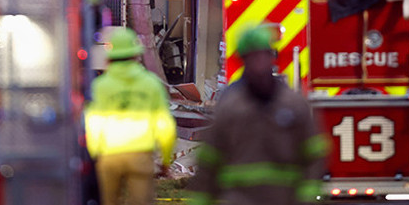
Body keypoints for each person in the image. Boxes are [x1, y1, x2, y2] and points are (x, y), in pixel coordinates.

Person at [189, 24, 327, 205]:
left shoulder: (293, 104)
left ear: (272, 57)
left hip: (285, 199)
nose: (259, 61)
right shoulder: (230, 106)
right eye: (253, 56)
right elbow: (210, 159)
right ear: (243, 59)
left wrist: (308, 194)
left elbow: (314, 152)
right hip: (240, 199)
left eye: (263, 54)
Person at [84, 27, 177, 205]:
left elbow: (93, 123)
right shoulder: (151, 84)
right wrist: (165, 160)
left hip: (109, 157)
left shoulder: (100, 86)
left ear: (109, 58)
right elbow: (165, 125)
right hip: (141, 157)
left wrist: (95, 153)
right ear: (136, 56)